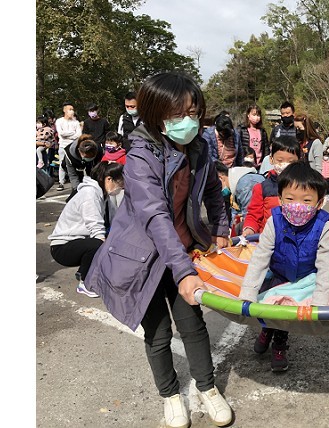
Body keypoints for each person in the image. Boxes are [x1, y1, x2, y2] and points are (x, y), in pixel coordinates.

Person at [84, 71, 233, 428]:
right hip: (143, 258)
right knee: (158, 333)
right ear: (156, 113)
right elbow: (154, 215)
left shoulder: (199, 145)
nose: (188, 121)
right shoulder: (140, 154)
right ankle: (170, 395)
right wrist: (183, 271)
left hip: (181, 249)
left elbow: (213, 189)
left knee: (193, 325)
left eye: (193, 112)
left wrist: (221, 228)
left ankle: (207, 387)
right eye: (178, 114)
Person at [239, 161, 329, 372]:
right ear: (280, 198)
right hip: (279, 274)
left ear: (319, 203)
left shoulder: (324, 226)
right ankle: (267, 329)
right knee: (269, 302)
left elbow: (326, 264)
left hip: (305, 279)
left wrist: (319, 303)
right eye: (290, 199)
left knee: (287, 313)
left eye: (306, 200)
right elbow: (260, 258)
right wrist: (247, 293)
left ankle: (279, 344)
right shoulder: (274, 222)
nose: (297, 205)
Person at [48, 161, 124, 298]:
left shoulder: (102, 194)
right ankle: (85, 282)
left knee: (110, 241)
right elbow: (95, 227)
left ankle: (90, 272)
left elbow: (114, 221)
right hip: (62, 247)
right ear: (109, 179)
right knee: (99, 243)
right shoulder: (90, 194)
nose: (121, 188)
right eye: (120, 183)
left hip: (79, 242)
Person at [242, 136, 302, 237]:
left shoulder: (305, 187)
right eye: (280, 160)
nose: (285, 165)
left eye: (291, 162)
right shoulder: (261, 188)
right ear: (271, 159)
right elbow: (254, 215)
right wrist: (249, 229)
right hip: (268, 240)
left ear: (299, 161)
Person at [64, 134, 104, 200]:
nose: (89, 159)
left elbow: (99, 172)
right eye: (86, 157)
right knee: (75, 196)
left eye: (91, 157)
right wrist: (77, 189)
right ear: (79, 151)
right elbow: (72, 174)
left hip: (92, 170)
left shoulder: (99, 150)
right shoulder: (69, 154)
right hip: (77, 171)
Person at [55, 102, 82, 191]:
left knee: (73, 164)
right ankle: (61, 182)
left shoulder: (76, 122)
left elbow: (79, 135)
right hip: (63, 146)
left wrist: (69, 135)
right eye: (70, 109)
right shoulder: (59, 121)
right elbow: (61, 133)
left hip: (73, 147)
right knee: (62, 165)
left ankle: (74, 183)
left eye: (72, 110)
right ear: (64, 110)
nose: (72, 111)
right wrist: (72, 133)